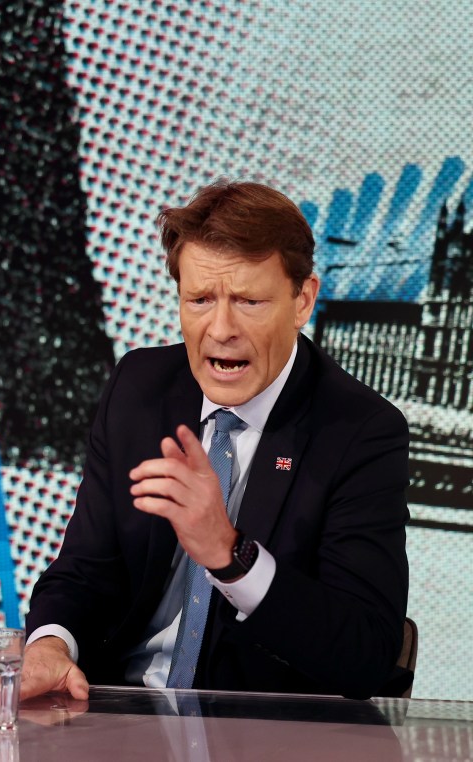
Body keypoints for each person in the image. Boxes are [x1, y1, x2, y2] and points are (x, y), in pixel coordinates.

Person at [20, 179, 410, 701]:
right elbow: (86, 569)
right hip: (120, 719)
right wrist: (51, 645)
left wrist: (230, 554)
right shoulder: (138, 388)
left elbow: (365, 654)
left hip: (266, 737)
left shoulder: (360, 431)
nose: (220, 328)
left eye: (248, 300)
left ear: (303, 301)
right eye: (200, 299)